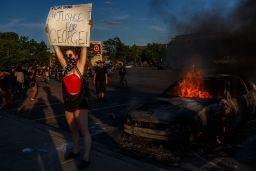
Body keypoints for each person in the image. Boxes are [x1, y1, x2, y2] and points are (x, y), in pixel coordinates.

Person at [47, 22, 92, 169]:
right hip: (68, 103)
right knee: (73, 129)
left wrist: (87, 29)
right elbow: (56, 48)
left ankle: (86, 158)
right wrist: (50, 33)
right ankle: (75, 150)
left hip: (80, 102)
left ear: (76, 56)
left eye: (70, 55)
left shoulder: (79, 66)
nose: (68, 57)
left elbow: (84, 46)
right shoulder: (65, 67)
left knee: (84, 131)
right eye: (67, 55)